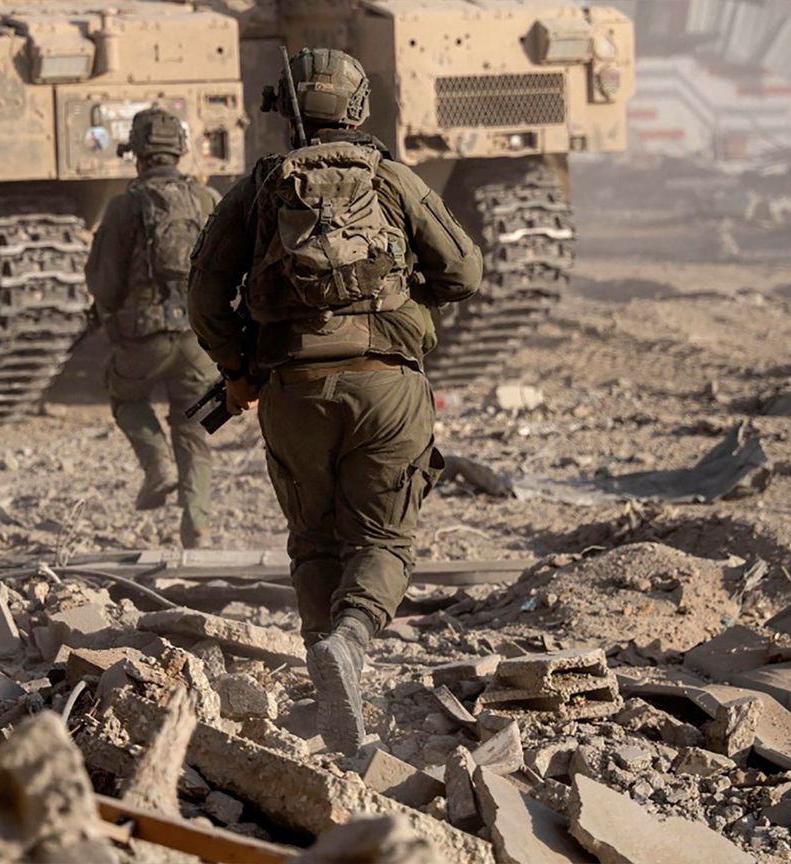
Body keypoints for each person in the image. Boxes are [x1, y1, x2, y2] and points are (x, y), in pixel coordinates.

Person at [187, 48, 483, 753]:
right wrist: (404, 289)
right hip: (388, 390)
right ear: (357, 108)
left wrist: (236, 369)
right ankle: (349, 643)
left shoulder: (262, 187)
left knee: (315, 541)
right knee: (383, 540)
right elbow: (465, 273)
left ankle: (326, 664)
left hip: (292, 392)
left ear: (287, 110)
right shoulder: (393, 179)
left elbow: (203, 295)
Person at [87, 107, 221, 549]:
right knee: (196, 426)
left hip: (144, 338)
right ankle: (198, 525)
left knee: (124, 396)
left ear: (138, 155)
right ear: (179, 150)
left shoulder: (123, 206)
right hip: (200, 340)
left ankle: (157, 464)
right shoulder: (207, 200)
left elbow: (104, 283)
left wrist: (111, 316)